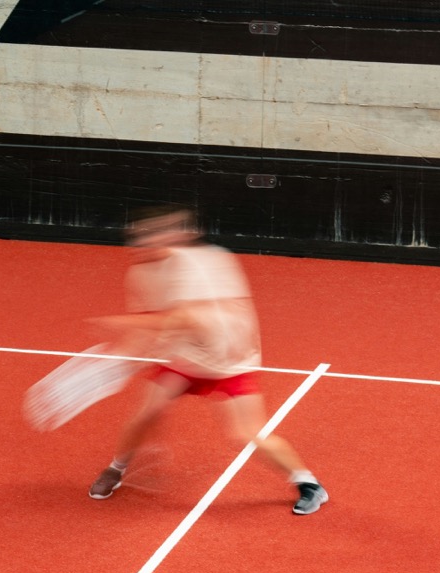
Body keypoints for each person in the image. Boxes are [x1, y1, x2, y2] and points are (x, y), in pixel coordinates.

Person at [88, 205, 328, 515]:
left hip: (226, 359)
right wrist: (123, 357)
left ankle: (310, 484)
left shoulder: (200, 264)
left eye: (153, 236)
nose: (142, 243)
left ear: (177, 237)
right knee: (146, 414)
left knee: (246, 434)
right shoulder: (141, 273)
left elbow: (183, 317)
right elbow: (152, 321)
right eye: (139, 237)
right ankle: (116, 468)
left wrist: (120, 325)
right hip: (185, 356)